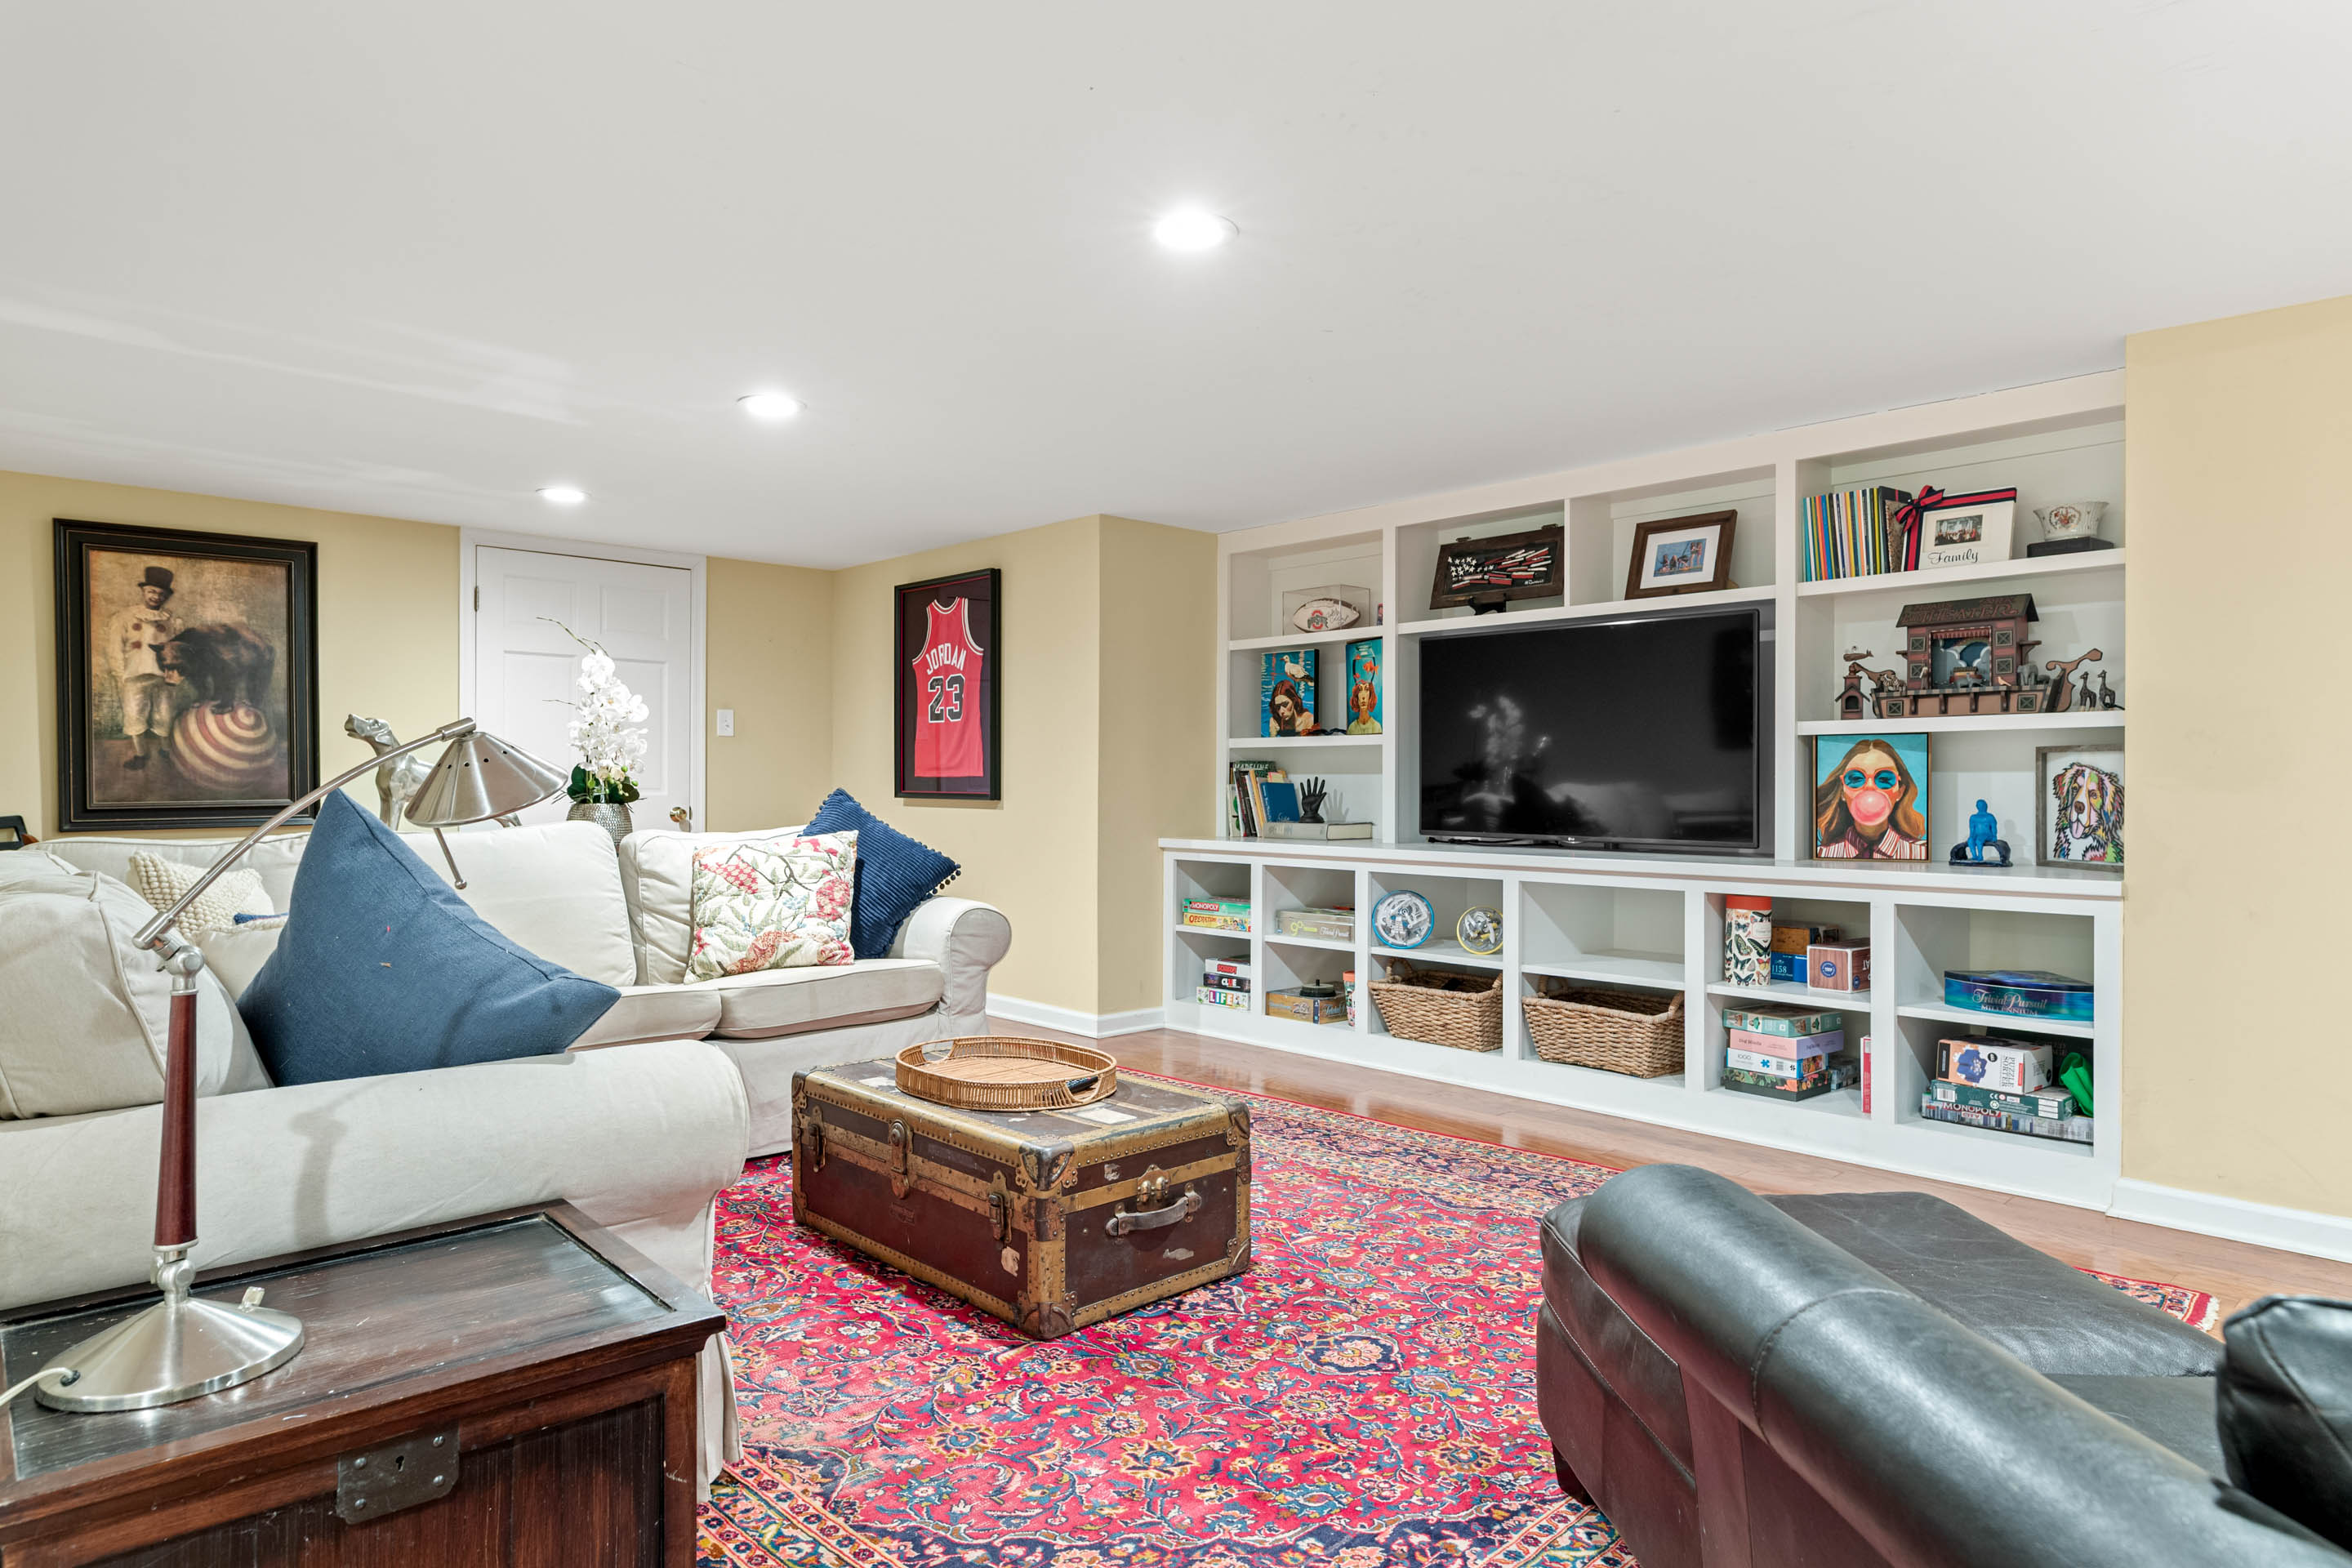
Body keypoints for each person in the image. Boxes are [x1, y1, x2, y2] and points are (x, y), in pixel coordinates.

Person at [108, 565, 183, 773]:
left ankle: (165, 751)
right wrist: (119, 674)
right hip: (134, 675)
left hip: (164, 676)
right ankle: (141, 754)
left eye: (161, 594)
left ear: (166, 596)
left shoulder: (172, 621)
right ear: (143, 591)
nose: (155, 597)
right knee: (134, 714)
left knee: (165, 714)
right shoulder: (124, 617)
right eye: (151, 591)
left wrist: (176, 675)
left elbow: (179, 651)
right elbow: (115, 648)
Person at [1813, 738, 1927, 860]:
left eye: (1884, 779)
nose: (1870, 786)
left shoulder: (1921, 853)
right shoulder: (1822, 854)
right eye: (1856, 779)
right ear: (1842, 791)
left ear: (1900, 792)